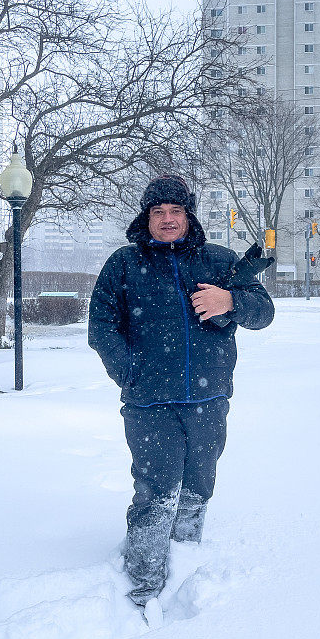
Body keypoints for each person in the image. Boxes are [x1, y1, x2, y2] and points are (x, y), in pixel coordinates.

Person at [88, 175, 275, 605]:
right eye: (159, 213)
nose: (168, 220)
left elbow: (263, 313)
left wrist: (231, 302)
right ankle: (144, 586)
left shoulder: (220, 261)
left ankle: (185, 566)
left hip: (209, 400)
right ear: (146, 218)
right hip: (150, 403)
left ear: (188, 215)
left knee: (197, 488)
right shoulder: (124, 264)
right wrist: (131, 373)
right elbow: (101, 327)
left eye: (176, 211)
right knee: (157, 491)